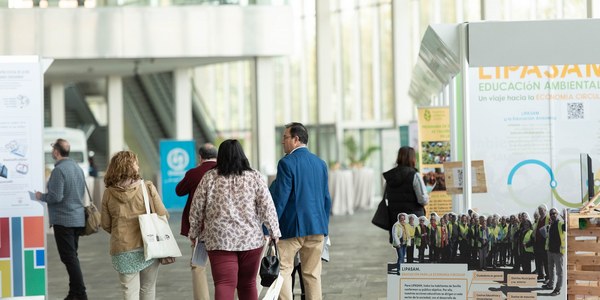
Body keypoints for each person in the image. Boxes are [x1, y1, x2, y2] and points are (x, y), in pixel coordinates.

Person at [188, 139, 281, 300]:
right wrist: (274, 232)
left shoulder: (209, 178)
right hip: (250, 240)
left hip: (219, 240)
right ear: (242, 155)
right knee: (248, 283)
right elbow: (268, 207)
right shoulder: (254, 177)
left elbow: (196, 208)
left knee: (224, 283)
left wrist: (194, 233)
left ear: (221, 156)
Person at [269, 122, 331, 300]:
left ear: (296, 139)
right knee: (312, 274)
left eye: (285, 137)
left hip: (292, 228)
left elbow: (280, 199)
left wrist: (269, 229)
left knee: (283, 270)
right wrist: (324, 227)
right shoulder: (320, 163)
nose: (282, 142)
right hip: (317, 227)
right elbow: (326, 198)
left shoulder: (286, 163)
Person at [101, 150, 169, 300]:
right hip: (148, 245)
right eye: (136, 163)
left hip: (122, 248)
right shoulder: (147, 187)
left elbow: (105, 224)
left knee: (129, 292)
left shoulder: (108, 193)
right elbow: (162, 214)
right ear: (131, 167)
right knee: (148, 289)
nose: (138, 166)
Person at [36, 139, 88, 300]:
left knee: (69, 258)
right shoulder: (77, 168)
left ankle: (80, 293)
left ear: (57, 152)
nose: (52, 152)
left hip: (64, 220)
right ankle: (74, 293)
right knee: (72, 257)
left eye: (53, 149)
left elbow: (56, 197)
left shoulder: (59, 171)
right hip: (77, 219)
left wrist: (40, 196)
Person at [175, 143, 217, 300]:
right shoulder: (225, 171)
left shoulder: (194, 173)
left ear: (200, 157)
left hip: (199, 229)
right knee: (226, 268)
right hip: (223, 229)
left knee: (199, 266)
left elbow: (179, 191)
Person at [383, 146, 429, 243]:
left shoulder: (390, 176)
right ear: (412, 158)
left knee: (401, 250)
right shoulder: (414, 175)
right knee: (413, 251)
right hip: (413, 220)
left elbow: (387, 196)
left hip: (396, 220)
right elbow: (423, 199)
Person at [541, 208, 565, 296]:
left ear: (557, 214)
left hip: (558, 252)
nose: (552, 215)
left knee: (559, 272)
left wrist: (565, 219)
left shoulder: (560, 223)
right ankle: (550, 284)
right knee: (550, 269)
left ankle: (557, 289)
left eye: (554, 213)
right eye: (550, 214)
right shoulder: (551, 225)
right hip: (550, 251)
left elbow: (566, 228)